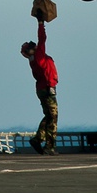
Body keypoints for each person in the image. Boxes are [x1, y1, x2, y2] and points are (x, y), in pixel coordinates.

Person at [20, 8, 60, 156]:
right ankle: (49, 146)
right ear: (31, 50)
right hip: (48, 88)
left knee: (49, 116)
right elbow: (42, 38)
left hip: (42, 89)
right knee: (53, 117)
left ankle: (38, 139)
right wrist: (40, 22)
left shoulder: (33, 60)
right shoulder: (39, 56)